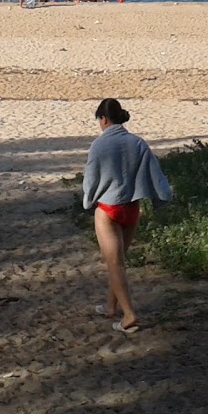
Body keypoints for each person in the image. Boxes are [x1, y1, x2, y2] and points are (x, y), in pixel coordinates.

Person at [82, 97, 172, 333]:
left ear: (103, 119)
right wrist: (161, 199)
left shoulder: (99, 145)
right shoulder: (138, 142)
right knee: (119, 262)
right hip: (132, 208)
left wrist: (87, 201)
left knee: (114, 264)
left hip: (108, 209)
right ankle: (111, 306)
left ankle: (129, 315)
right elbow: (155, 173)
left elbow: (91, 179)